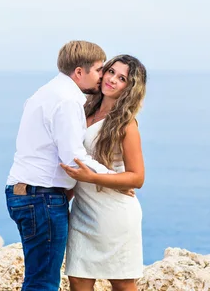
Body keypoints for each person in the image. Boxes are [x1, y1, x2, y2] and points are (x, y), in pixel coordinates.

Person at [5, 40, 116, 291]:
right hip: (41, 197)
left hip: (26, 192)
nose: (102, 77)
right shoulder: (68, 100)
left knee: (38, 277)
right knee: (43, 282)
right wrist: (115, 178)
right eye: (99, 70)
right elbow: (73, 158)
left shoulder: (44, 92)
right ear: (79, 72)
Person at [60, 54, 148, 291]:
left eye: (122, 78)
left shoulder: (126, 124)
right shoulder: (82, 110)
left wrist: (92, 177)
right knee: (77, 280)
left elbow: (137, 177)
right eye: (111, 72)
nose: (112, 80)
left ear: (130, 88)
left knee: (122, 283)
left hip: (114, 215)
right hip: (83, 211)